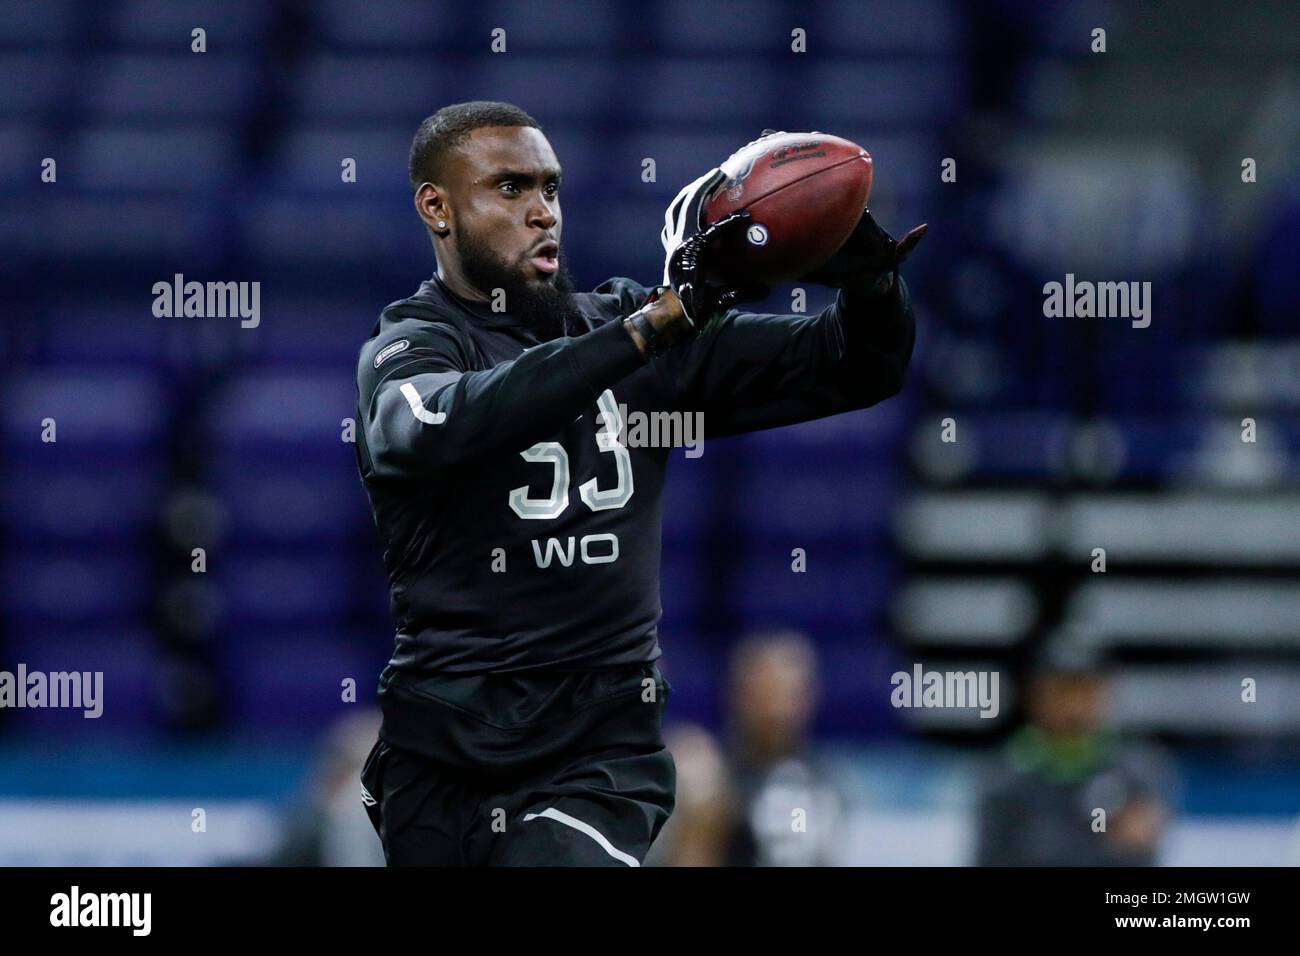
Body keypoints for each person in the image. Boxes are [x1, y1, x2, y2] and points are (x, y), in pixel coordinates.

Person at [354, 100, 923, 866]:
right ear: (438, 207)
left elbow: (858, 365)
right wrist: (644, 332)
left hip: (597, 749)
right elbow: (430, 427)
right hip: (441, 749)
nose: (542, 212)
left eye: (551, 189)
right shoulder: (416, 344)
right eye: (511, 188)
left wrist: (870, 285)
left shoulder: (640, 327)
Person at [974, 638, 1171, 866]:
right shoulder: (1004, 777)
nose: (1074, 706)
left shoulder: (1137, 775)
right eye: (1062, 691)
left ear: (1105, 693)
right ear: (1035, 695)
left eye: (1085, 690)